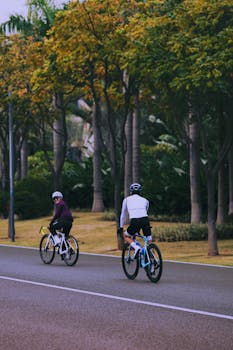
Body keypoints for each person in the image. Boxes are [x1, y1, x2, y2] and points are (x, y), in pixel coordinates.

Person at [118, 183, 152, 258]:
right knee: (148, 239)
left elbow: (123, 215)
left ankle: (136, 248)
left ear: (130, 192)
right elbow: (145, 211)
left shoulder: (126, 200)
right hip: (145, 220)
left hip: (135, 221)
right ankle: (151, 258)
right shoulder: (146, 200)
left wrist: (121, 227)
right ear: (140, 192)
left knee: (126, 235)